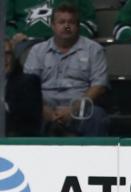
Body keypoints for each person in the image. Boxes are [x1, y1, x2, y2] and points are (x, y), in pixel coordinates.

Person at [22, 3, 108, 136]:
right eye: (61, 22)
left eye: (71, 22)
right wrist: (42, 109)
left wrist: (73, 109)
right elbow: (27, 86)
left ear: (78, 26)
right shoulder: (37, 51)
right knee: (24, 111)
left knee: (97, 116)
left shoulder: (94, 49)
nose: (66, 26)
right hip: (44, 106)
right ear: (52, 25)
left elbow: (99, 85)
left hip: (79, 105)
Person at [6, 0, 97, 61]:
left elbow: (89, 23)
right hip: (26, 44)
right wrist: (13, 35)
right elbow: (5, 23)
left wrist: (69, 34)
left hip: (66, 43)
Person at [4, 38, 43, 136]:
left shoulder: (27, 83)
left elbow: (28, 125)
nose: (4, 59)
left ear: (13, 57)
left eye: (7, 54)